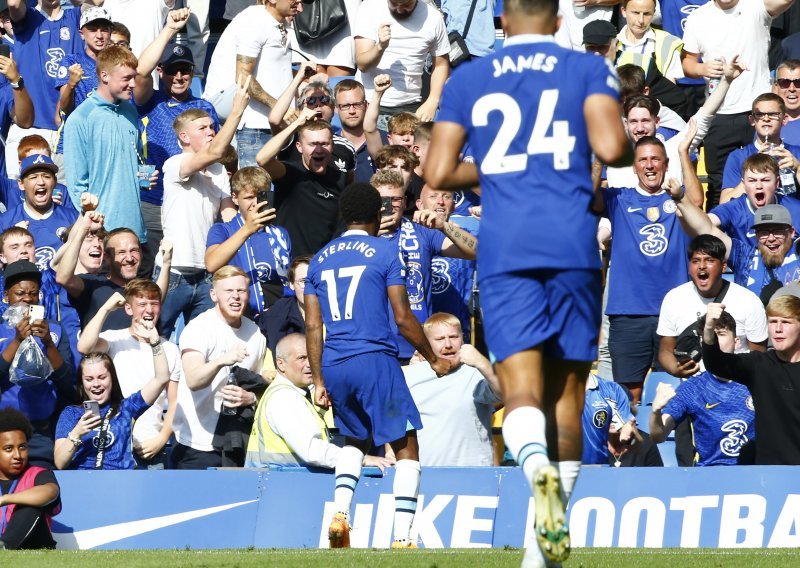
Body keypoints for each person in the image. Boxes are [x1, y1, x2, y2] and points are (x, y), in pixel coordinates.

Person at [424, 0, 632, 563]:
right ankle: (540, 554)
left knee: (519, 390)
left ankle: (533, 469)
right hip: (572, 244)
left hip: (507, 246)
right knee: (567, 395)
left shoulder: (472, 77)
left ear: (502, 22)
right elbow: (614, 148)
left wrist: (498, 163)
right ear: (558, 22)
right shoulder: (585, 69)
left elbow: (437, 172)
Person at [305, 183, 451, 548]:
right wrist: (434, 358)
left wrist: (319, 378)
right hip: (374, 358)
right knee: (406, 446)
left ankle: (340, 513)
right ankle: (402, 537)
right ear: (376, 215)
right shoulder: (385, 251)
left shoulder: (320, 258)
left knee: (355, 438)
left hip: (336, 362)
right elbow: (403, 318)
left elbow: (311, 325)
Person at [154, 76, 248, 338]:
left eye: (211, 127)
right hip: (174, 271)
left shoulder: (218, 171)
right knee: (157, 336)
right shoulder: (174, 164)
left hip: (207, 273)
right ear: (184, 136)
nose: (211, 132)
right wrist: (237, 111)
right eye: (203, 128)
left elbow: (230, 216)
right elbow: (214, 152)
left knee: (206, 341)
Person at [681, 0, 796, 209]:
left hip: (759, 112)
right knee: (718, 184)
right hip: (720, 112)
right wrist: (702, 68)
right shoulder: (697, 17)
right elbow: (687, 62)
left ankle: (773, 229)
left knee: (769, 177)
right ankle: (721, 236)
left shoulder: (756, 6)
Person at [245, 333, 393, 470]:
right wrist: (360, 459)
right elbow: (312, 450)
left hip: (282, 484)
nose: (310, 364)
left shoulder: (290, 393)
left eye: (312, 356)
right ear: (281, 364)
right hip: (283, 486)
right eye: (302, 358)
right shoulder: (284, 398)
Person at [372, 169, 477, 362]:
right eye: (384, 200)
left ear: (404, 202)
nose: (391, 206)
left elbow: (474, 250)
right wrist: (371, 237)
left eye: (396, 199)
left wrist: (444, 226)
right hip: (378, 347)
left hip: (420, 348)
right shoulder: (360, 237)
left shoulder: (422, 231)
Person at [75, 281, 181, 469]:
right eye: (142, 304)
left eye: (154, 303)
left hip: (150, 445)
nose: (149, 309)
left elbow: (174, 401)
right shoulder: (114, 339)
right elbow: (84, 346)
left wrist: (162, 438)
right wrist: (106, 308)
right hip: (113, 443)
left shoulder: (170, 350)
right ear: (128, 309)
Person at [171, 265, 267, 470]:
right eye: (229, 291)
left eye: (241, 291)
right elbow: (194, 380)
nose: (235, 297)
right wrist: (221, 360)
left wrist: (251, 398)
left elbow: (260, 384)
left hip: (236, 441)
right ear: (214, 294)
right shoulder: (199, 328)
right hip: (195, 443)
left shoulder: (255, 333)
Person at [63, 46, 147, 243]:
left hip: (135, 231)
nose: (133, 84)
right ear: (104, 76)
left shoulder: (130, 111)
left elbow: (135, 160)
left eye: (134, 77)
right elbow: (77, 187)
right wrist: (95, 230)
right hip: (103, 233)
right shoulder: (81, 118)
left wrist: (142, 178)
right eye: (127, 78)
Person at [202, 0, 301, 166]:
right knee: (255, 191)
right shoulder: (254, 21)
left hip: (277, 128)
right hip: (253, 129)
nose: (300, 7)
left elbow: (272, 70)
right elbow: (242, 77)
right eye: (294, 0)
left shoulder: (281, 22)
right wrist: (280, 108)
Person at [651, 310, 756, 466]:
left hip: (755, 473)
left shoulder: (756, 379)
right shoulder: (692, 388)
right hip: (708, 475)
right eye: (710, 337)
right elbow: (658, 435)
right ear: (702, 343)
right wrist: (656, 411)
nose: (715, 342)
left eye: (721, 334)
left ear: (736, 341)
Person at [703, 297, 800, 465]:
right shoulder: (759, 365)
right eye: (773, 321)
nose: (778, 329)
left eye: (786, 322)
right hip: (768, 474)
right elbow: (716, 363)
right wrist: (709, 328)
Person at [657, 234, 768, 380]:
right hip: (693, 389)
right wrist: (675, 369)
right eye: (695, 261)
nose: (702, 266)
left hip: (737, 386)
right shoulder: (674, 298)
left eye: (709, 260)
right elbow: (665, 350)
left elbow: (759, 356)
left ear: (723, 266)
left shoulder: (749, 301)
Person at [668, 181, 800, 302]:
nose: (771, 238)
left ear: (792, 232)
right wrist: (680, 197)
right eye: (764, 233)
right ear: (756, 235)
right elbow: (706, 229)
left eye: (777, 231)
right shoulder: (744, 256)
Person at [0, 260, 75, 468]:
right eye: (20, 293)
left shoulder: (55, 330)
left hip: (40, 433)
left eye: (33, 293)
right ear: (7, 296)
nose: (27, 299)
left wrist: (48, 344)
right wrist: (17, 341)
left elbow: (67, 382)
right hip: (3, 432)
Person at [403, 313, 500, 466]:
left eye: (454, 337)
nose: (448, 344)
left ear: (463, 338)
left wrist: (482, 363)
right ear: (425, 343)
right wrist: (388, 452)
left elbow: (506, 394)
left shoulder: (476, 372)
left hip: (476, 476)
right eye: (440, 339)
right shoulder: (408, 375)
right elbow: (390, 418)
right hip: (425, 476)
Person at [53, 343, 169, 470]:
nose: (96, 384)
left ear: (112, 379)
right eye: (89, 379)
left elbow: (161, 378)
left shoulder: (127, 408)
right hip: (84, 483)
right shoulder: (71, 414)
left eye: (102, 377)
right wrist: (76, 433)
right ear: (82, 382)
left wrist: (155, 342)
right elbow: (59, 463)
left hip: (120, 482)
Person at [56, 209, 171, 330]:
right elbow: (63, 278)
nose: (129, 258)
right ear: (107, 257)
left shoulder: (143, 288)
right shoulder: (92, 285)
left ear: (142, 254)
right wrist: (83, 230)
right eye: (121, 252)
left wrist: (167, 263)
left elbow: (158, 296)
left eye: (134, 250)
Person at [256, 112, 348, 256]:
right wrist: (296, 124)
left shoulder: (341, 178)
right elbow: (262, 159)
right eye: (312, 144)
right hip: (291, 265)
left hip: (323, 263)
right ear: (299, 147)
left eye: (324, 144)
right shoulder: (289, 172)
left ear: (332, 146)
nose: (318, 150)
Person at [5, 0, 80, 176]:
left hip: (67, 132)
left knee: (66, 200)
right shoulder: (29, 16)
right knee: (23, 198)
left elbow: (97, 3)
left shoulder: (75, 16)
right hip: (30, 129)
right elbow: (14, 4)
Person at [205, 166, 290, 314]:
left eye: (261, 196)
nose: (256, 203)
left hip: (280, 315)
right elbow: (211, 264)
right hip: (242, 315)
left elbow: (289, 279)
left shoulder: (280, 233)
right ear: (234, 198)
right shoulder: (223, 230)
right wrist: (247, 229)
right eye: (249, 197)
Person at [353, 0, 450, 126]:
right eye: (394, 4)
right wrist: (380, 47)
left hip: (411, 108)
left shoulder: (433, 17)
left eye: (406, 5)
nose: (399, 9)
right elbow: (362, 64)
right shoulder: (370, 7)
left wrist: (432, 100)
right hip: (370, 104)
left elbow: (441, 64)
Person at [0, 154, 78, 273]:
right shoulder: (5, 221)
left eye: (46, 176)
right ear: (21, 184)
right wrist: (11, 240)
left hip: (64, 290)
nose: (41, 182)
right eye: (33, 177)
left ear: (55, 182)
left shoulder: (73, 219)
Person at [720, 93, 800, 203]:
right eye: (760, 114)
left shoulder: (796, 154)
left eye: (773, 114)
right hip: (753, 218)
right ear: (752, 120)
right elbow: (724, 203)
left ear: (784, 119)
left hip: (791, 217)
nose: (766, 118)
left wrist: (798, 169)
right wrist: (752, 171)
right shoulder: (738, 156)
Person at [0, 407, 61, 550]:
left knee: (31, 504)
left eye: (22, 447)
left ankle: (4, 547)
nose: (17, 455)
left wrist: (5, 499)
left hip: (35, 546)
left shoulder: (38, 473)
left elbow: (51, 492)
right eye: (8, 449)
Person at [53, 7, 113, 126]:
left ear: (110, 33)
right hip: (80, 133)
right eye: (93, 30)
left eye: (104, 30)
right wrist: (71, 84)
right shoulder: (71, 62)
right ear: (82, 34)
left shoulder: (118, 63)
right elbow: (64, 108)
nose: (99, 35)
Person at [616, 0, 684, 82]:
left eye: (647, 14)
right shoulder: (611, 44)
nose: (641, 20)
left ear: (654, 13)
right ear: (623, 11)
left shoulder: (668, 42)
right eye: (636, 13)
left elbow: (669, 87)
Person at [334, 78, 387, 183]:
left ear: (366, 106)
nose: (352, 111)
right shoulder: (330, 145)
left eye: (357, 105)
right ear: (336, 108)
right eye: (345, 106)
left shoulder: (386, 140)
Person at [582, 373, 635, 465]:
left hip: (596, 468)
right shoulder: (551, 387)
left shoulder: (611, 389)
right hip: (558, 467)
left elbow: (626, 423)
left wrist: (626, 430)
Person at [774, 59, 800, 145]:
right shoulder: (764, 121)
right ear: (776, 87)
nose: (792, 89)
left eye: (798, 83)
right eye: (784, 83)